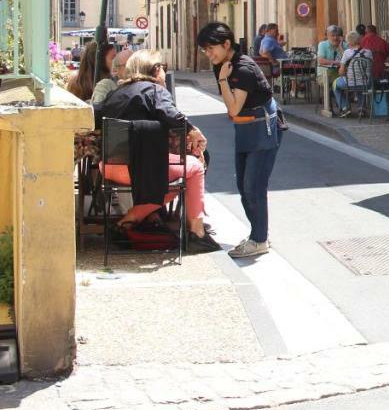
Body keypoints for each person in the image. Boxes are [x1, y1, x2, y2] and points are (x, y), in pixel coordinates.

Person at [97, 50, 217, 253]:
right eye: (163, 67)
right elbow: (172, 115)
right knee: (194, 168)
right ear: (155, 70)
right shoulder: (155, 90)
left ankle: (128, 222)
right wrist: (193, 131)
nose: (164, 72)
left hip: (110, 167)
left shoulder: (114, 93)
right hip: (144, 168)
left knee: (164, 176)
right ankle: (196, 233)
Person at [197, 21, 283, 259]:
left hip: (262, 128)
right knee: (244, 188)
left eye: (210, 48)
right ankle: (259, 234)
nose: (208, 53)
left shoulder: (242, 68)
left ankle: (259, 239)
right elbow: (231, 108)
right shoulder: (222, 65)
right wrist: (224, 80)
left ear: (227, 44)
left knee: (253, 187)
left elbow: (233, 108)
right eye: (204, 49)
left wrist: (224, 81)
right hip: (246, 128)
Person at [333, 31, 370, 115]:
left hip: (351, 83)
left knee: (335, 84)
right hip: (366, 83)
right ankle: (361, 109)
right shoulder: (368, 52)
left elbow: (341, 72)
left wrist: (343, 71)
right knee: (360, 82)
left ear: (349, 42)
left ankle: (345, 107)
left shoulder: (347, 53)